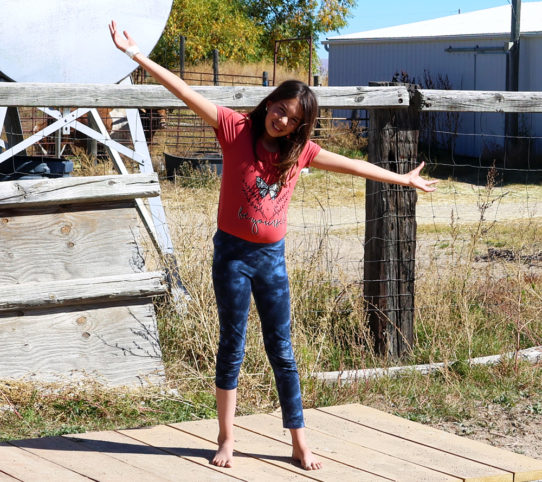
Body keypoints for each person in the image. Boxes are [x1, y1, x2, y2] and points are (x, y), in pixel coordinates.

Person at [109, 20, 438, 471]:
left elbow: (354, 166)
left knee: (281, 348)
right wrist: (137, 56)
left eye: (291, 119)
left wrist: (402, 178)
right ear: (271, 102)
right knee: (233, 344)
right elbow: (185, 91)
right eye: (280, 108)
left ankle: (299, 441)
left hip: (271, 261)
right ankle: (226, 437)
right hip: (232, 256)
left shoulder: (299, 153)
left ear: (298, 127)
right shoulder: (235, 130)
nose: (281, 119)